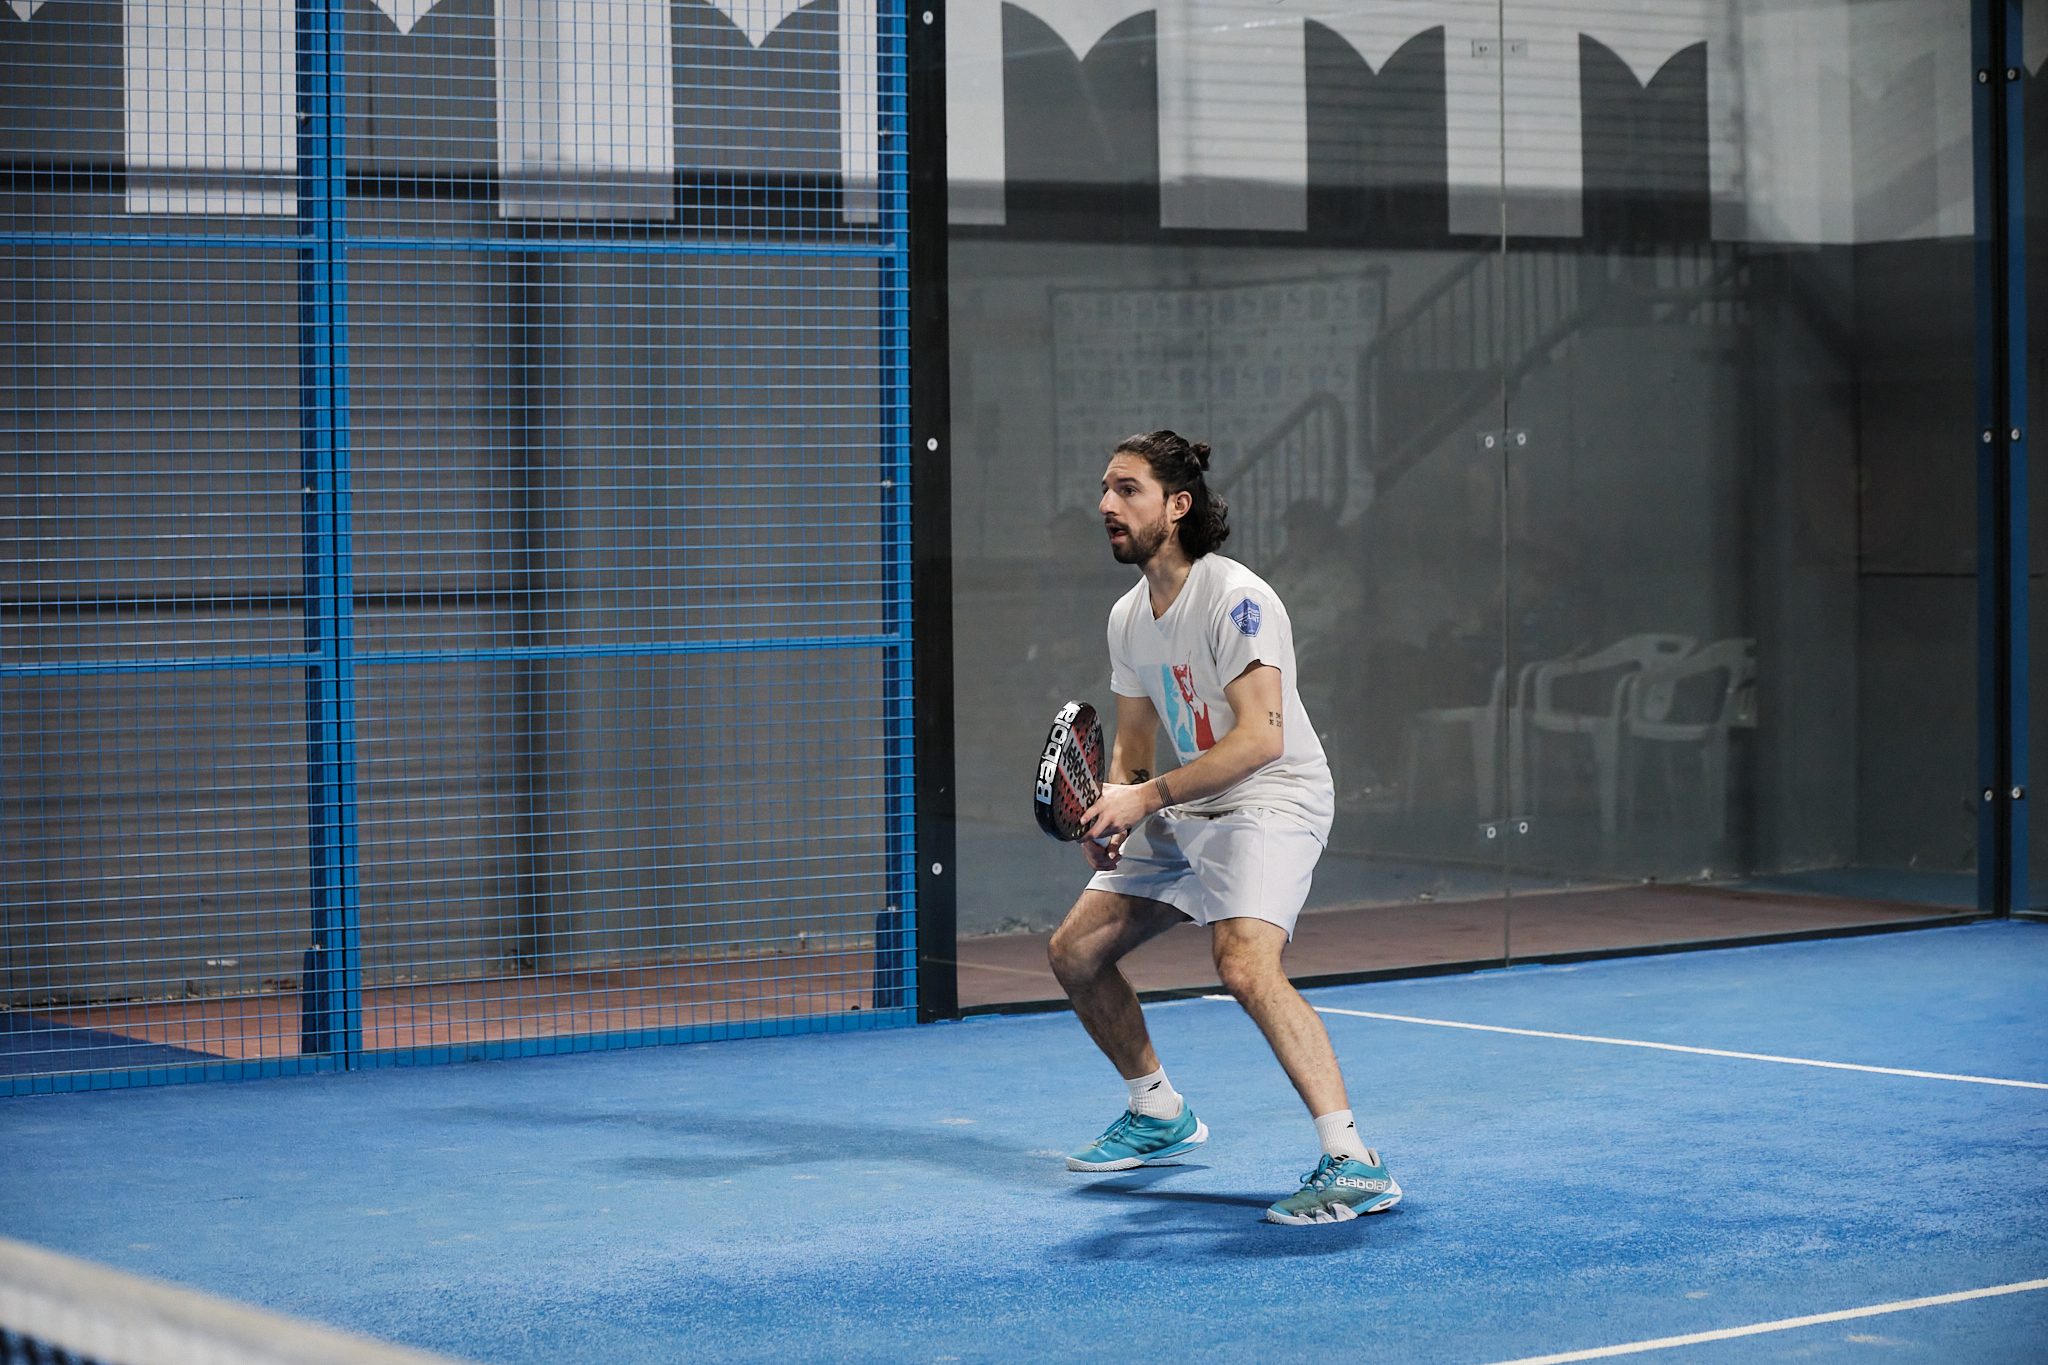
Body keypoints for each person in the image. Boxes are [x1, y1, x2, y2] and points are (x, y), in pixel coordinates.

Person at [1047, 429, 1402, 1226]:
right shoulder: (1127, 617)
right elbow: (1135, 748)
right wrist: (1113, 809)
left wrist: (1145, 796)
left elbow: (1261, 740)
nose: (1105, 504)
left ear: (1177, 505)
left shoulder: (1238, 599)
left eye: (1127, 489)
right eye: (1104, 488)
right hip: (1192, 803)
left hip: (1275, 797)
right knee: (1074, 951)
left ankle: (1355, 1160)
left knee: (1243, 961)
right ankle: (1157, 1110)